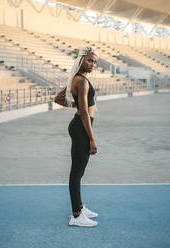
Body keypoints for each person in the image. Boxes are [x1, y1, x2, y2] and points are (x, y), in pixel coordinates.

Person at [55, 47, 99, 227]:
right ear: (81, 60)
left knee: (79, 171)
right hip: (81, 128)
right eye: (90, 60)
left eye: (95, 62)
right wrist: (92, 139)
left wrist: (77, 105)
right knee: (76, 172)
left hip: (80, 126)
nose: (92, 64)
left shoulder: (78, 78)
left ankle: (79, 206)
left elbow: (58, 98)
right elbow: (84, 114)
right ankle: (76, 215)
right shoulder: (81, 81)